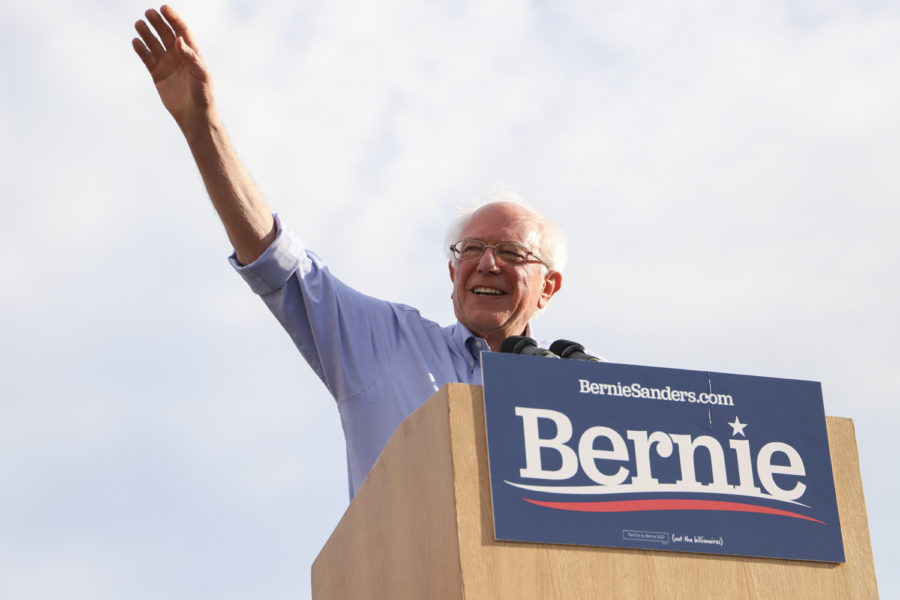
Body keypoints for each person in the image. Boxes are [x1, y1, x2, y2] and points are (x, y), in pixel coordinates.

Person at [132, 5, 565, 498]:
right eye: (472, 248)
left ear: (548, 287)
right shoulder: (385, 344)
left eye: (510, 252)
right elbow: (278, 262)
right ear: (452, 272)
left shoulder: (575, 394)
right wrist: (202, 125)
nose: (487, 263)